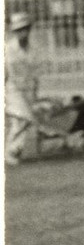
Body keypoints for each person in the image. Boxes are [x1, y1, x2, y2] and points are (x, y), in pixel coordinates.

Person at [5, 11, 38, 165]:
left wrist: (35, 90)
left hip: (28, 89)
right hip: (12, 89)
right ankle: (11, 151)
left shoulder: (33, 48)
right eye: (18, 30)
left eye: (25, 29)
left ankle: (14, 151)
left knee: (20, 122)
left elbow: (35, 72)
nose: (22, 33)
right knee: (24, 117)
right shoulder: (8, 48)